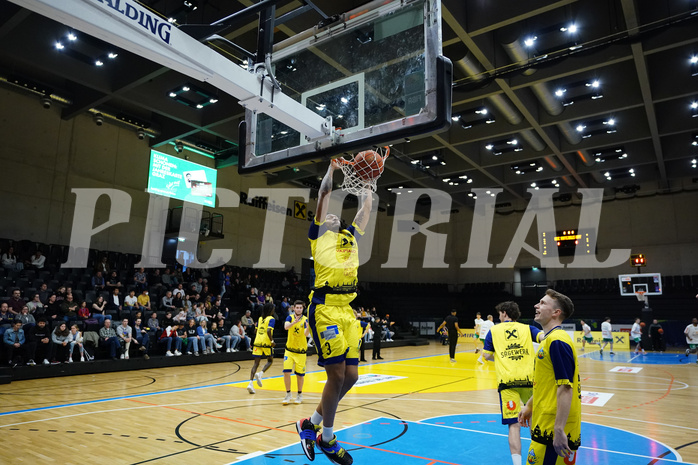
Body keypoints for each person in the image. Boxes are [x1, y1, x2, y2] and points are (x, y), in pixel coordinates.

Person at [297, 157, 374, 465]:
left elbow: (366, 210)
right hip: (325, 310)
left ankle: (311, 423)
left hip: (348, 312)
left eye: (333, 217)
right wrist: (331, 170)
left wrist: (369, 182)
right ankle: (327, 438)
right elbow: (323, 197)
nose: (329, 216)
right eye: (325, 216)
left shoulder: (351, 235)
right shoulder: (317, 238)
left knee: (352, 376)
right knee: (337, 374)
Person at [519, 290, 581, 464]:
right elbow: (546, 383)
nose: (536, 305)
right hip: (545, 424)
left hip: (552, 430)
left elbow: (565, 388)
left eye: (542, 303)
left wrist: (559, 429)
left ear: (556, 312)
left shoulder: (557, 342)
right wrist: (529, 405)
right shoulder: (549, 340)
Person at [483, 301, 543, 465]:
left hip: (507, 383)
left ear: (503, 313)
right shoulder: (527, 328)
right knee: (534, 422)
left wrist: (502, 356)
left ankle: (517, 463)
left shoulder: (493, 331)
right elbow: (544, 337)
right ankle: (538, 458)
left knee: (514, 425)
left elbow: (486, 355)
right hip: (530, 380)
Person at [283, 300, 310, 405]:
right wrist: (294, 322)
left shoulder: (305, 319)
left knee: (300, 375)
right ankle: (288, 394)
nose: (299, 309)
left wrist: (308, 328)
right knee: (286, 372)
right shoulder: (289, 317)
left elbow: (306, 334)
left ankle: (299, 394)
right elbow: (286, 327)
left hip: (301, 352)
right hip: (289, 350)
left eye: (300, 308)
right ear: (293, 308)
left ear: (302, 309)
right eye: (297, 307)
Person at [247, 303, 276, 394]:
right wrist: (272, 342)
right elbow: (268, 331)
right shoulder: (271, 319)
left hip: (257, 342)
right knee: (270, 360)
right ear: (270, 310)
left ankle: (250, 383)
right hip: (266, 343)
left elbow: (255, 331)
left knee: (256, 364)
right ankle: (260, 374)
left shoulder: (260, 319)